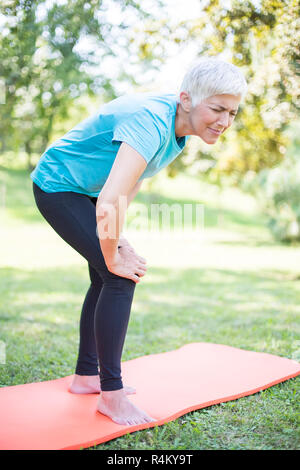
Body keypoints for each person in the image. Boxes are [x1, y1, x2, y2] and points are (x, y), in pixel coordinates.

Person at [30, 57, 247, 426]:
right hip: (58, 185)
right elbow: (112, 196)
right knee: (118, 276)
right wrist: (113, 255)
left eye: (232, 113)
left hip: (90, 193)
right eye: (218, 109)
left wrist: (117, 242)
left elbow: (129, 183)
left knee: (106, 273)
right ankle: (111, 395)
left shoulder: (178, 130)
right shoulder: (151, 121)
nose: (225, 122)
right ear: (187, 99)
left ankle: (87, 378)